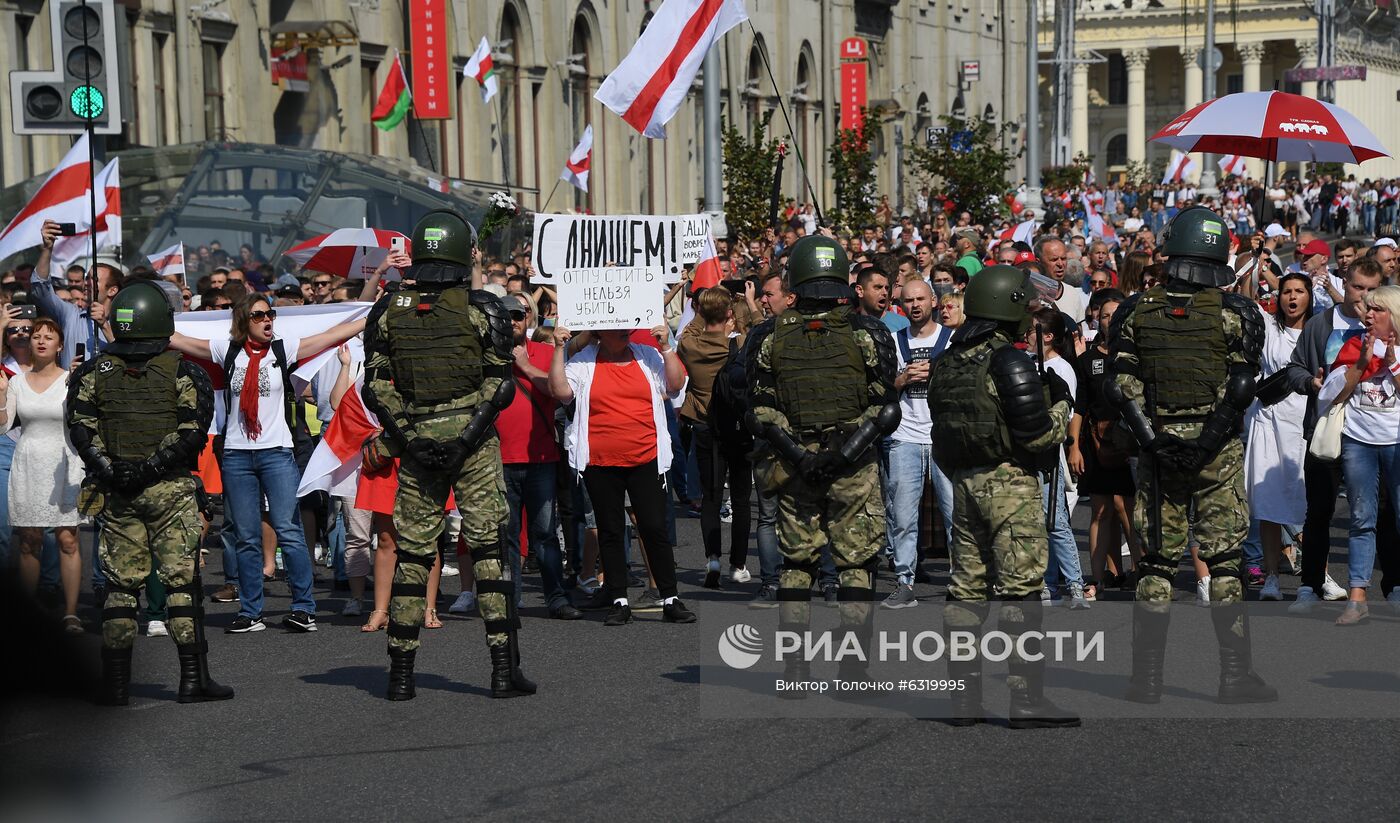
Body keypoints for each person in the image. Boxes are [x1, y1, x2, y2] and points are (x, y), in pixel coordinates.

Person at [362, 209, 534, 700]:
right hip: (473, 445)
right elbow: (499, 384)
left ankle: (400, 675)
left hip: (416, 443)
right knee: (487, 553)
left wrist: (410, 437)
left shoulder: (391, 307)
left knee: (413, 556)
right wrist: (464, 437)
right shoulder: (485, 307)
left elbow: (375, 388)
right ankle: (503, 671)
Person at [1106, 205, 1275, 704]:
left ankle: (1146, 678)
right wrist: (1205, 442)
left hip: (1158, 449)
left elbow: (1119, 385)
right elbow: (1242, 385)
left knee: (1156, 564)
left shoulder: (1136, 310)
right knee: (1223, 563)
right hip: (1216, 452)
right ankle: (1235, 676)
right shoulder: (1236, 311)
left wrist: (1155, 440)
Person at [66, 281, 233, 705]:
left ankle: (115, 685)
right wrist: (151, 468)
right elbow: (194, 431)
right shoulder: (182, 371)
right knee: (181, 585)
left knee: (120, 590)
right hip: (169, 490)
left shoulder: (91, 372)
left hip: (117, 492)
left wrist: (113, 469)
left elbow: (81, 429)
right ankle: (193, 679)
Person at [745, 235, 900, 683]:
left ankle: (794, 670)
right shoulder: (867, 331)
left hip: (793, 465)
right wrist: (841, 455)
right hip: (853, 465)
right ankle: (853, 670)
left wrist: (803, 455)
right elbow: (885, 406)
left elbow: (758, 411)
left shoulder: (767, 335)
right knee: (856, 564)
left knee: (797, 565)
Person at [928, 265, 1077, 727]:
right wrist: (1061, 404)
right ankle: (1026, 699)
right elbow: (1036, 437)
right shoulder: (1006, 359)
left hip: (964, 482)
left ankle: (963, 701)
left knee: (966, 591)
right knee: (1021, 591)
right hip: (1009, 484)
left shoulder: (949, 359)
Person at [168, 294, 365, 636]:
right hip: (237, 454)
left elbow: (330, 335)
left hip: (277, 452)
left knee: (289, 532)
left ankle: (304, 609)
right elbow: (177, 339)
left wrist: (371, 314)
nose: (267, 319)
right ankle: (250, 611)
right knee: (246, 537)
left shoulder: (282, 349)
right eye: (259, 315)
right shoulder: (225, 350)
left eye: (270, 314)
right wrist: (116, 320)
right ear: (244, 320)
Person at [549, 323, 693, 627]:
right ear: (600, 333)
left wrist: (667, 347)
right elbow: (560, 392)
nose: (625, 331)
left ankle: (670, 597)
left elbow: (675, 385)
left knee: (654, 527)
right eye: (616, 328)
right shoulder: (584, 361)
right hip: (601, 461)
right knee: (611, 529)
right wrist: (559, 348)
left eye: (626, 326)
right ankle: (618, 599)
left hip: (646, 458)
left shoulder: (648, 355)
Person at [1265, 259, 1386, 611]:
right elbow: (1295, 369)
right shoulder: (1321, 324)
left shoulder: (1389, 322)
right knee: (1319, 512)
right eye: (1357, 287)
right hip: (1327, 431)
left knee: (1378, 514)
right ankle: (1310, 586)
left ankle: (1387, 585)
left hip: (1375, 434)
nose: (1363, 296)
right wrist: (1311, 383)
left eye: (1371, 288)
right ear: (1343, 283)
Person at [1315, 284, 1400, 625]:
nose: (1369, 314)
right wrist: (1362, 363)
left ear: (1393, 315)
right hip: (1358, 442)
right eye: (1369, 308)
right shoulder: (1353, 345)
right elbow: (1332, 396)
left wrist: (1391, 364)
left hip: (1396, 443)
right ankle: (1357, 597)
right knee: (1362, 518)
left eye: (1377, 309)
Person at [0, 318, 85, 632]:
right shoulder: (17, 382)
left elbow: (83, 422)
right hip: (28, 460)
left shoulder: (70, 379)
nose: (40, 341)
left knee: (67, 540)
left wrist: (79, 386)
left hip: (64, 461)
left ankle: (72, 613)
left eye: (49, 337)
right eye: (36, 336)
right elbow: (3, 426)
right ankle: (29, 613)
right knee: (29, 541)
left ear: (59, 345)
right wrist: (0, 394)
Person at [496, 294, 578, 620]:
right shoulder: (486, 355)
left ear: (529, 318)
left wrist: (525, 366)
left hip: (540, 458)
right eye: (508, 316)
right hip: (498, 460)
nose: (514, 321)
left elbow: (558, 392)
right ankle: (509, 601)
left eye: (520, 315)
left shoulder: (545, 352)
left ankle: (556, 599)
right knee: (508, 536)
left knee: (544, 534)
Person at [880, 279, 954, 608]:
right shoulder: (894, 341)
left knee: (955, 514)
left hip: (941, 437)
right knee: (903, 516)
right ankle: (904, 582)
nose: (915, 305)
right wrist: (903, 379)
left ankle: (962, 579)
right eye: (908, 300)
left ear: (933, 300)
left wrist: (935, 376)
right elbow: (883, 390)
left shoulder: (951, 340)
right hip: (905, 437)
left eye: (920, 299)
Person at [677, 287, 752, 588]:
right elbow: (756, 331)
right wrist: (746, 302)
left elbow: (690, 328)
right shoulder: (741, 344)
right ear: (729, 316)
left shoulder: (690, 345)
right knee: (742, 498)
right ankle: (739, 563)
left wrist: (700, 308)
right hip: (737, 427)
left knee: (710, 498)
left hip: (705, 424)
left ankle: (713, 560)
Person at [1245, 274, 1311, 601]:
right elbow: (1245, 298)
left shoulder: (1318, 332)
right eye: (1287, 291)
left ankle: (1318, 575)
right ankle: (1271, 577)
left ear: (1309, 297)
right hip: (1268, 422)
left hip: (1304, 427)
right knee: (1269, 503)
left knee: (1308, 504)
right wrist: (1256, 264)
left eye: (1299, 291)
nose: (1292, 298)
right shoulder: (1270, 328)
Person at [1027, 308, 1088, 609]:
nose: (1026, 335)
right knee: (1039, 523)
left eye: (1032, 329)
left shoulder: (1062, 369)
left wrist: (1070, 446)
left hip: (1052, 453)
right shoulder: (1027, 364)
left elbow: (1068, 412)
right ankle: (1048, 584)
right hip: (1029, 454)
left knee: (1057, 522)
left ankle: (1075, 585)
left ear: (1046, 336)